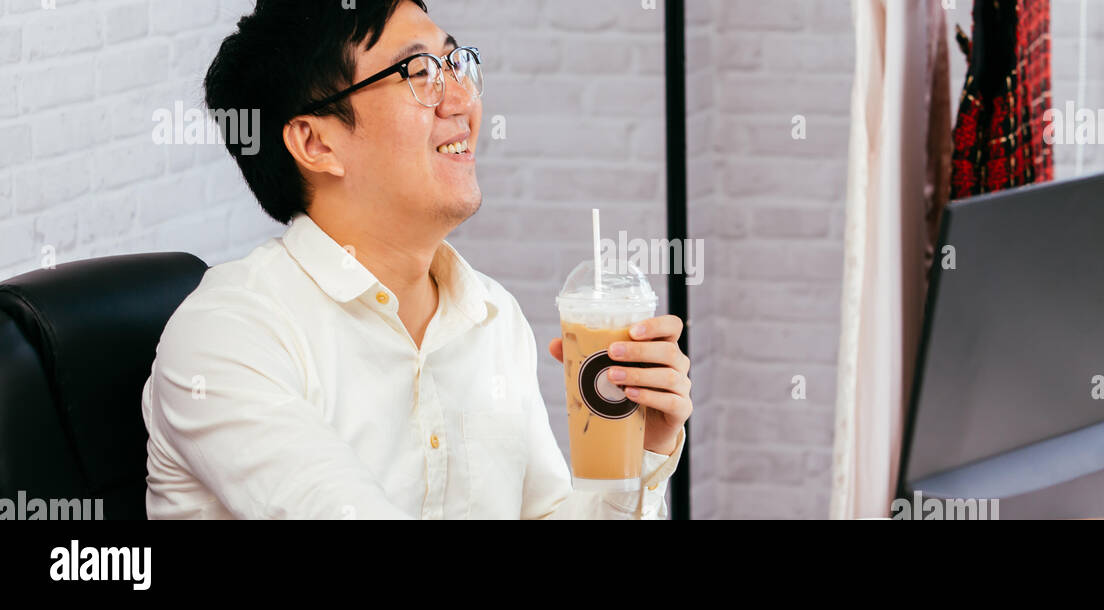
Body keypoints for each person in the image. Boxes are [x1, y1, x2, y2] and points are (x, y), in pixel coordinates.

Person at [140, 0, 692, 519]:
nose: (461, 99)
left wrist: (640, 456)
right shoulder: (230, 335)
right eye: (420, 73)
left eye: (457, 63)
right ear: (316, 143)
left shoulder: (492, 316)